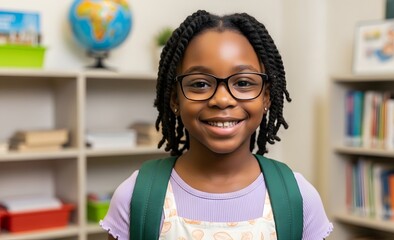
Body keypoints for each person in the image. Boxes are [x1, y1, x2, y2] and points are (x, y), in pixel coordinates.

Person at [101, 10, 333, 240]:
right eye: (200, 84)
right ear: (175, 99)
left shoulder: (299, 198)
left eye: (243, 82)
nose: (222, 100)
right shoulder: (136, 196)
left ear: (266, 97)